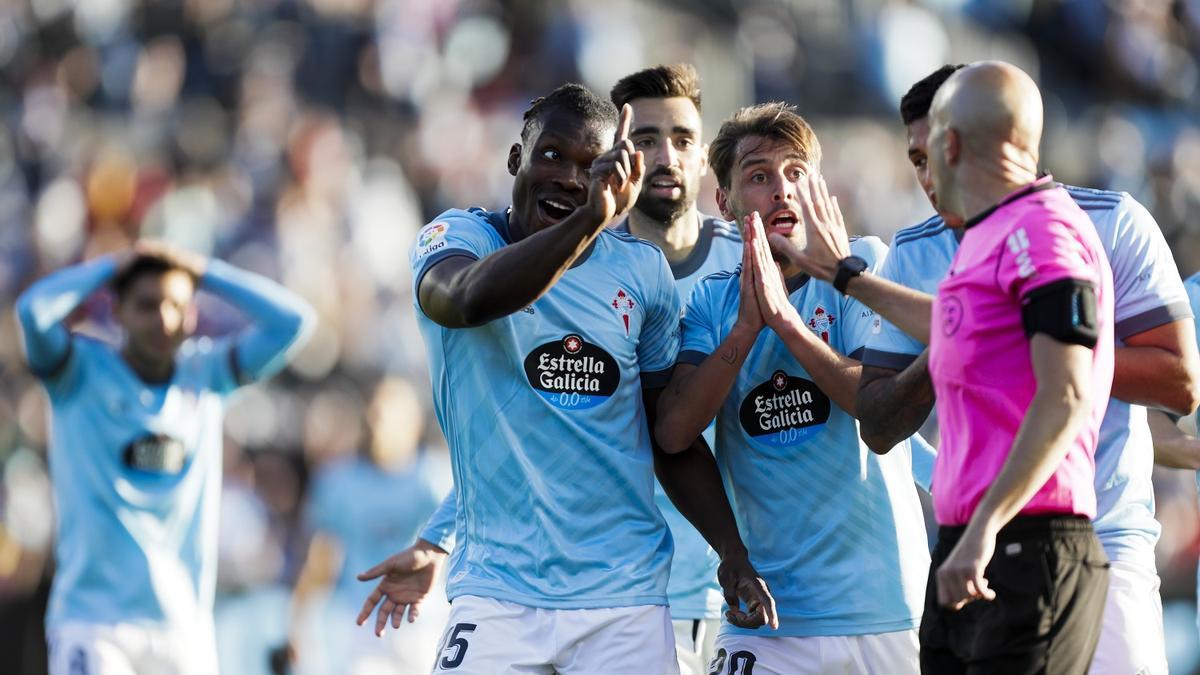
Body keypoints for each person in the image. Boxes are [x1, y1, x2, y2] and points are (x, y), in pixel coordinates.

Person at [356, 83, 773, 674]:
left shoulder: (640, 271)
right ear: (513, 160)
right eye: (551, 155)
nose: (571, 179)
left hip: (622, 600)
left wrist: (729, 550)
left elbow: (664, 438)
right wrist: (591, 220)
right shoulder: (459, 240)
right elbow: (466, 300)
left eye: (592, 167)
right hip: (497, 593)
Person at [856, 63, 1199, 675]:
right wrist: (954, 341)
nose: (928, 177)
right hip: (968, 541)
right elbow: (878, 423)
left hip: (1103, 533)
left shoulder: (1110, 219)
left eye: (934, 149)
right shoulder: (915, 250)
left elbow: (1179, 380)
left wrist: (1018, 339)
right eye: (914, 160)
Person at [780, 61, 1115, 672]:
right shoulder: (990, 235)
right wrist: (846, 277)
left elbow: (1066, 393)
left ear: (950, 143)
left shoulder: (1041, 231)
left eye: (925, 147)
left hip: (1025, 538)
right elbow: (958, 326)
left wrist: (987, 525)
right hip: (976, 545)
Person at [654, 102, 929, 674]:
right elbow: (675, 431)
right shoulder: (712, 302)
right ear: (724, 202)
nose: (782, 190)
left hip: (881, 611)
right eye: (759, 176)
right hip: (768, 617)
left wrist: (788, 324)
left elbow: (871, 406)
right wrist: (748, 328)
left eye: (796, 173)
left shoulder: (868, 270)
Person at [14, 241, 315, 675]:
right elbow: (33, 313)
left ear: (192, 313)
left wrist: (203, 270)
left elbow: (295, 322)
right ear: (116, 312)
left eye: (176, 304)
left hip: (183, 626)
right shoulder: (79, 374)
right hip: (94, 623)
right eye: (147, 304)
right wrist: (113, 264)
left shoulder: (207, 375)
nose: (164, 318)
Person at [289, 377, 450, 674]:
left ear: (413, 422)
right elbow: (320, 561)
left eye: (389, 415)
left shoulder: (436, 481)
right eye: (374, 414)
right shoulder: (338, 482)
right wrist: (299, 624)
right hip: (363, 624)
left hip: (424, 625)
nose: (378, 423)